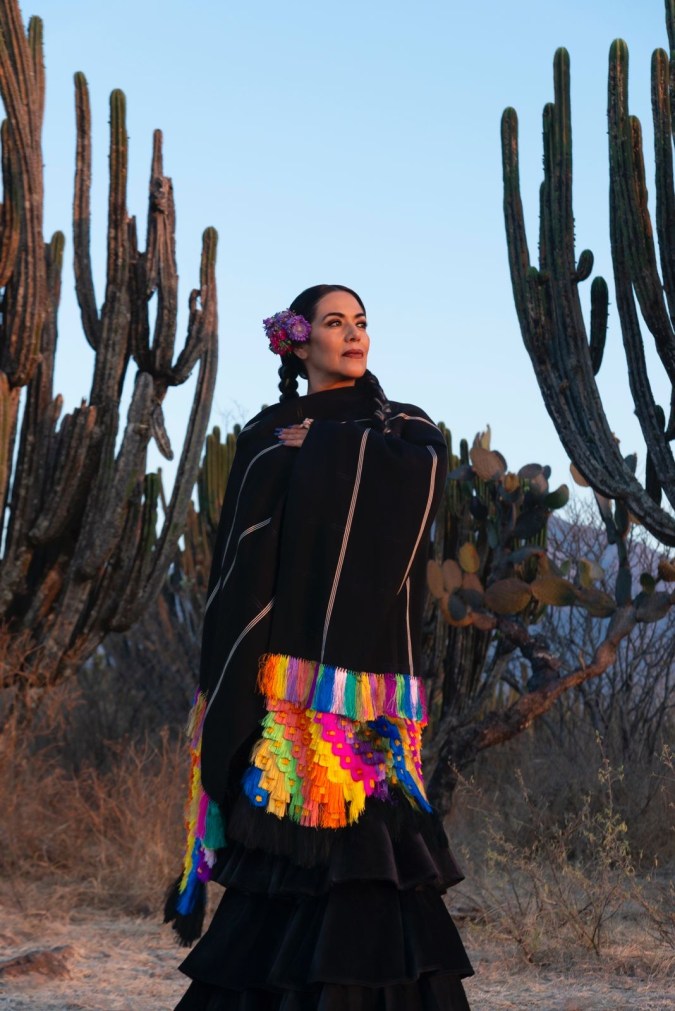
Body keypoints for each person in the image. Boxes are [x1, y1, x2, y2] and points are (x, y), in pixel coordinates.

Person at [165, 284, 474, 1010]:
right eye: (335, 323)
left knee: (373, 861)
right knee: (285, 857)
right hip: (284, 693)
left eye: (361, 322)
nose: (354, 334)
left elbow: (425, 477)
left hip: (370, 700)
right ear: (299, 342)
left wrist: (333, 448)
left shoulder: (400, 427)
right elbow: (241, 568)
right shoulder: (266, 434)